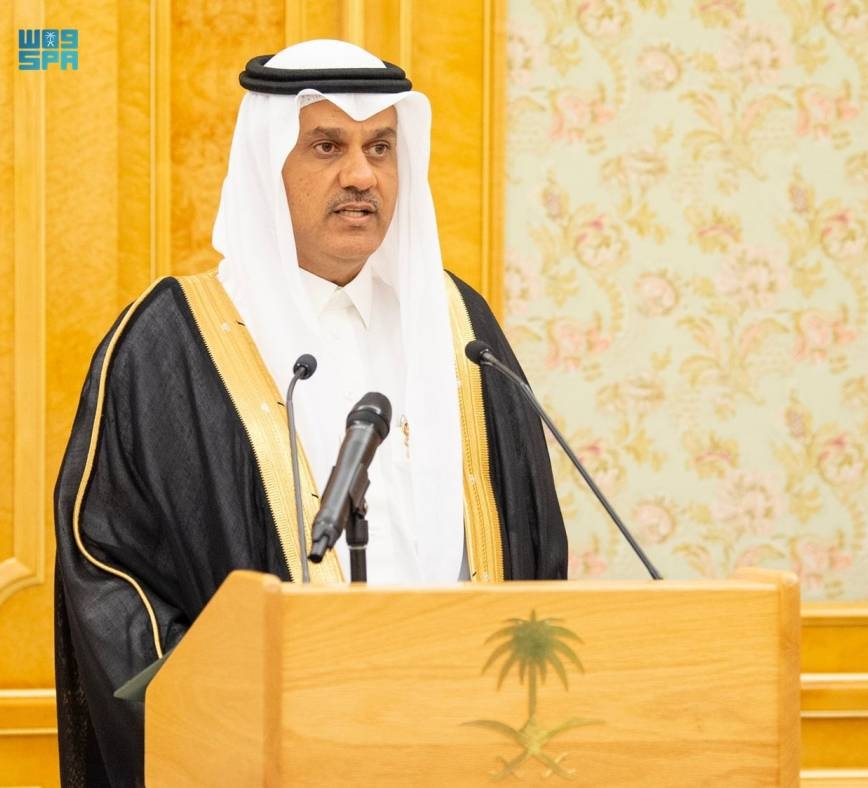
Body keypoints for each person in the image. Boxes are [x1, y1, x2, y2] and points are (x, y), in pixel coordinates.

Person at [53, 39, 567, 786]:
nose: (361, 175)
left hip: (467, 749)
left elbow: (532, 542)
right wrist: (219, 728)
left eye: (380, 148)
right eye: (327, 146)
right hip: (271, 759)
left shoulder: (459, 327)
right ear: (268, 167)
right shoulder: (170, 343)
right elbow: (110, 573)